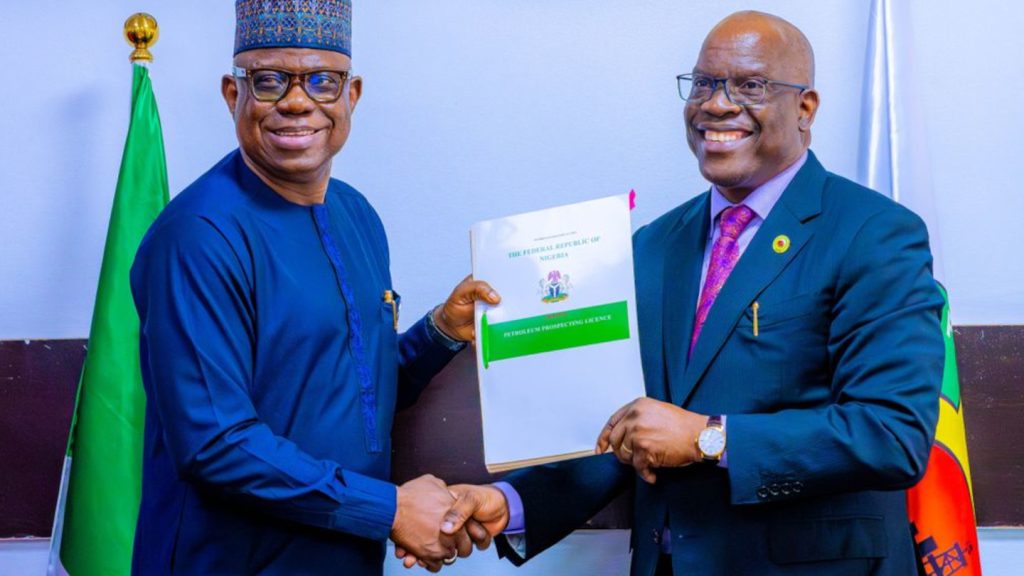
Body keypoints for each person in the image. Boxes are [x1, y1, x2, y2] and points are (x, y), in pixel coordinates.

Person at [436, 10, 945, 575]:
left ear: (805, 109)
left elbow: (891, 434)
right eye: (703, 83)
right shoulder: (654, 245)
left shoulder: (872, 233)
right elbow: (625, 428)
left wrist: (710, 438)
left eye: (750, 86)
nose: (717, 104)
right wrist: (510, 503)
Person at [129, 1, 497, 574]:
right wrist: (391, 509)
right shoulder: (198, 236)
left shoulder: (357, 215)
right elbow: (216, 443)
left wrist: (439, 333)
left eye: (323, 81)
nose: (298, 102)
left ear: (352, 96)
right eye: (269, 81)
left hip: (345, 558)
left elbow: (348, 393)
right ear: (233, 94)